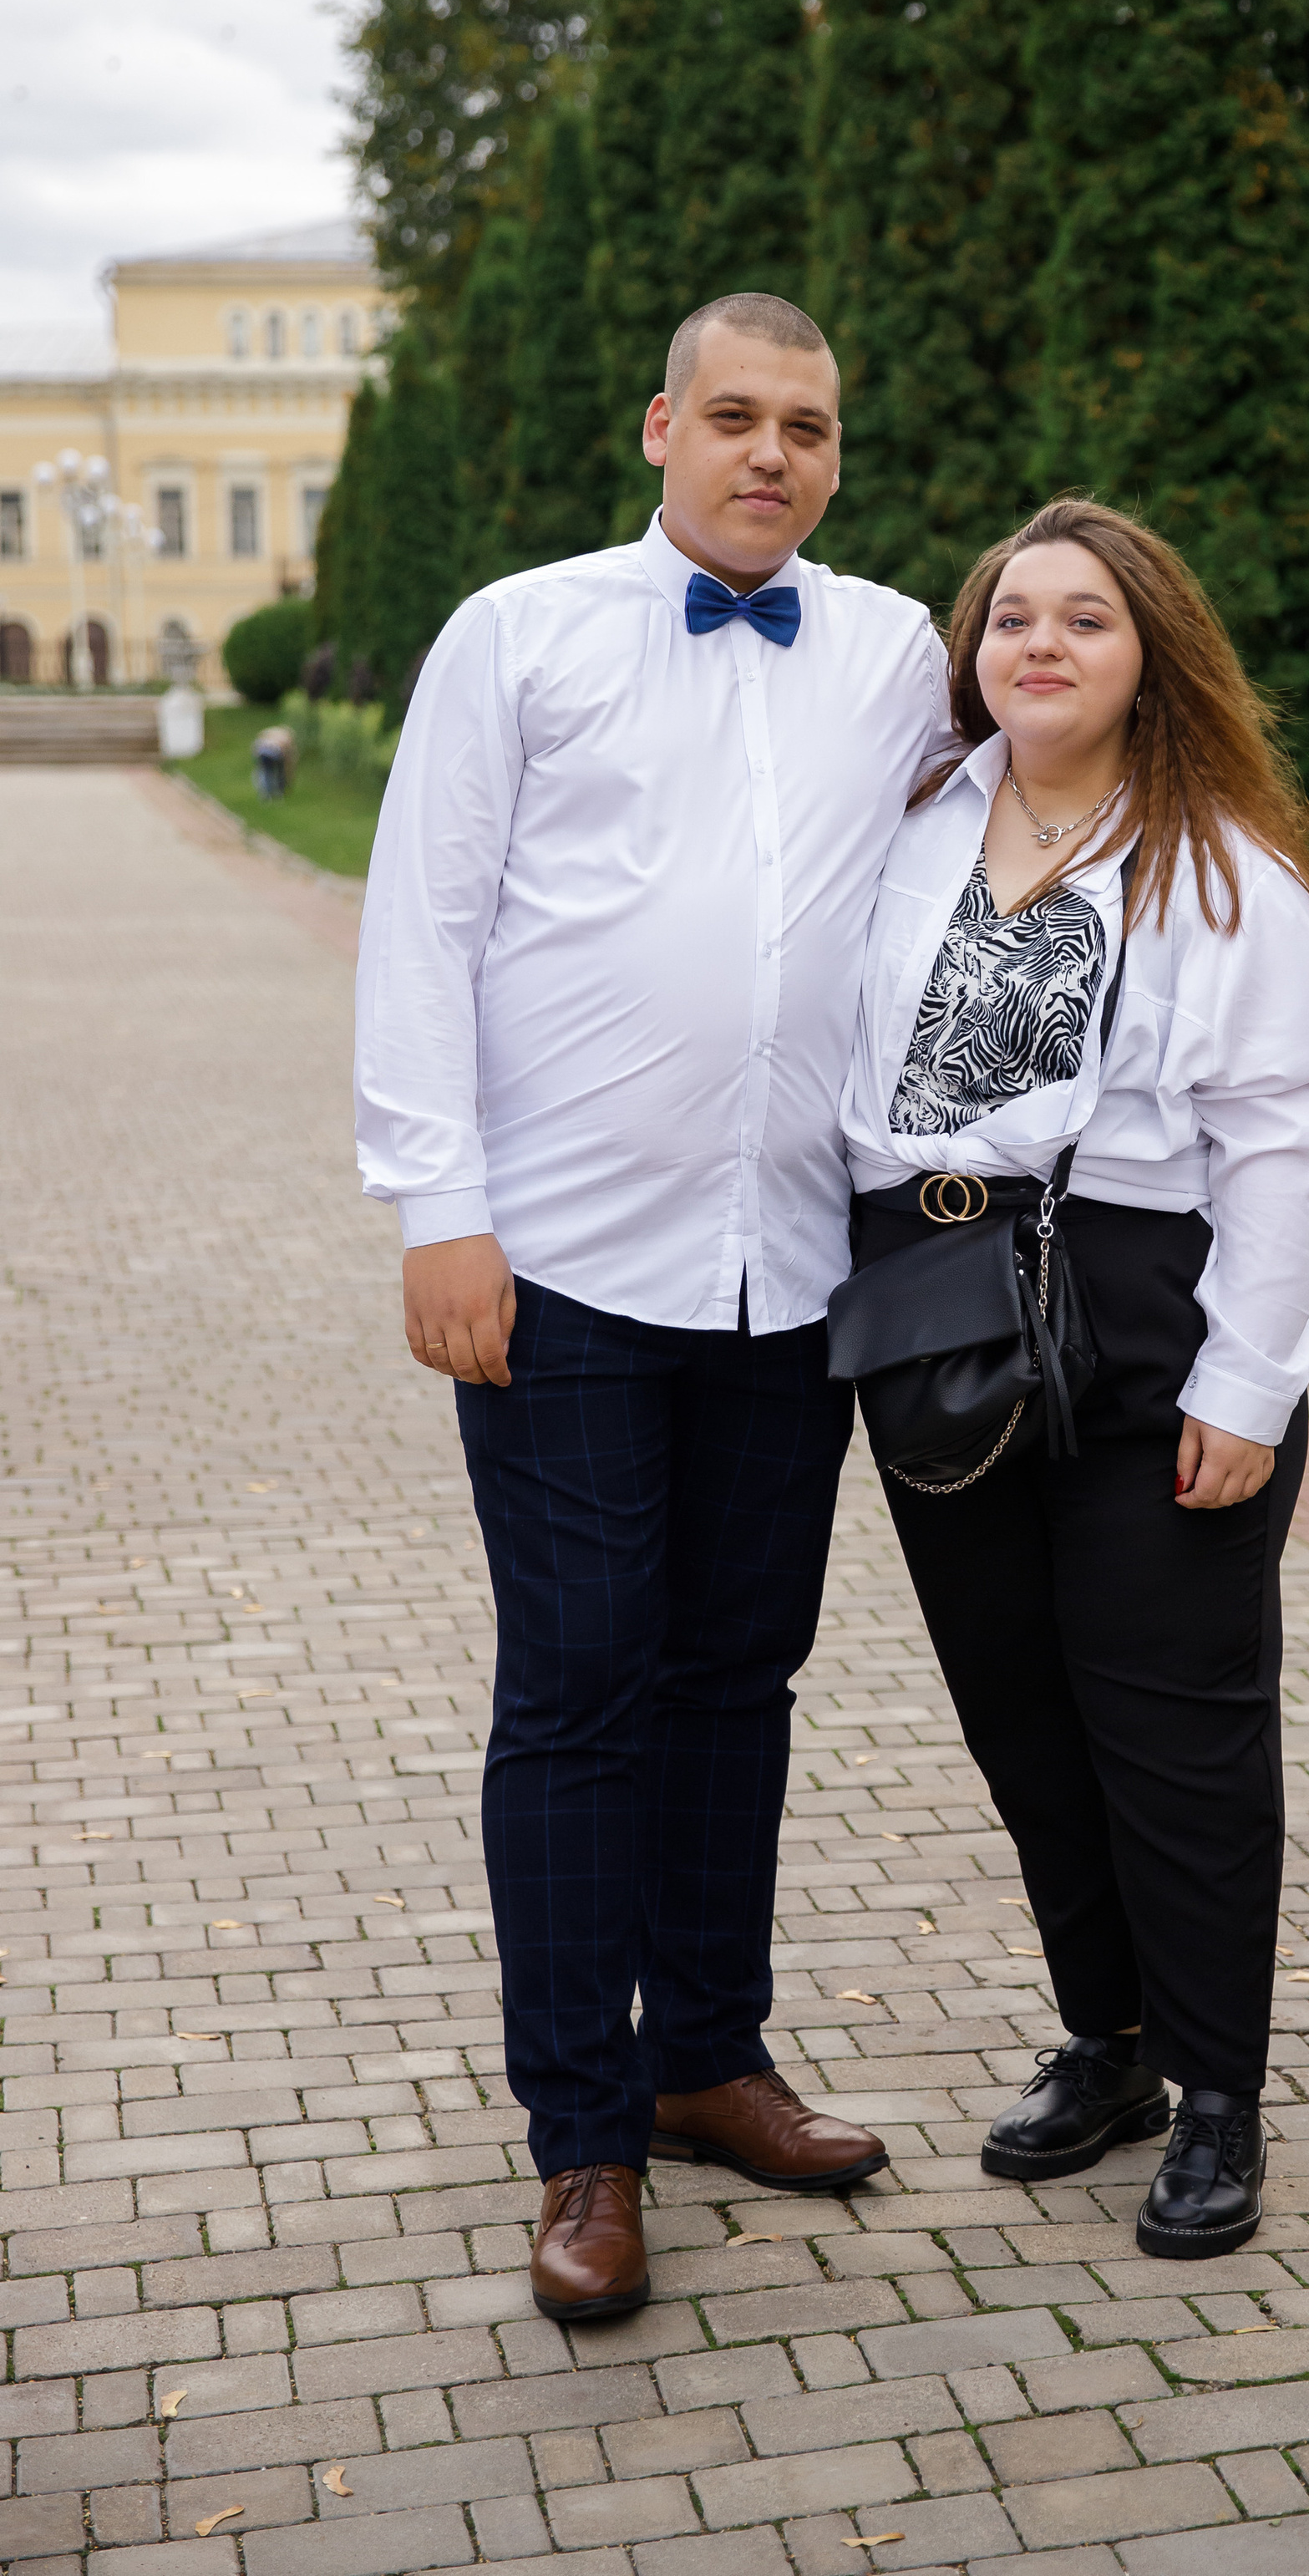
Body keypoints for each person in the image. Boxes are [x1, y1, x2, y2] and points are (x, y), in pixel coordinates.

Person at [353, 293, 952, 2324]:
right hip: (567, 1260)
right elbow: (422, 928)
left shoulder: (886, 650)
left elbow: (1040, 787)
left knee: (738, 1673)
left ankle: (708, 2054)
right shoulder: (516, 635)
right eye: (733, 418)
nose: (770, 454)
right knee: (583, 1680)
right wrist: (441, 1209)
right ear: (657, 430)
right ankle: (582, 2136)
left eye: (808, 425)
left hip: (793, 1266)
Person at [840, 498, 1309, 2258]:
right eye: (1008, 620)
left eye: (1082, 620)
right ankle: (1111, 2044)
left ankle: (1217, 2098)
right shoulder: (914, 821)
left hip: (1148, 1309)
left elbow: (1291, 1137)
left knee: (1177, 1735)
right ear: (968, 653)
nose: (1038, 646)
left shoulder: (1219, 865)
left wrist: (1247, 1385)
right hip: (930, 1296)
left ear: (1150, 659)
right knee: (1021, 1719)